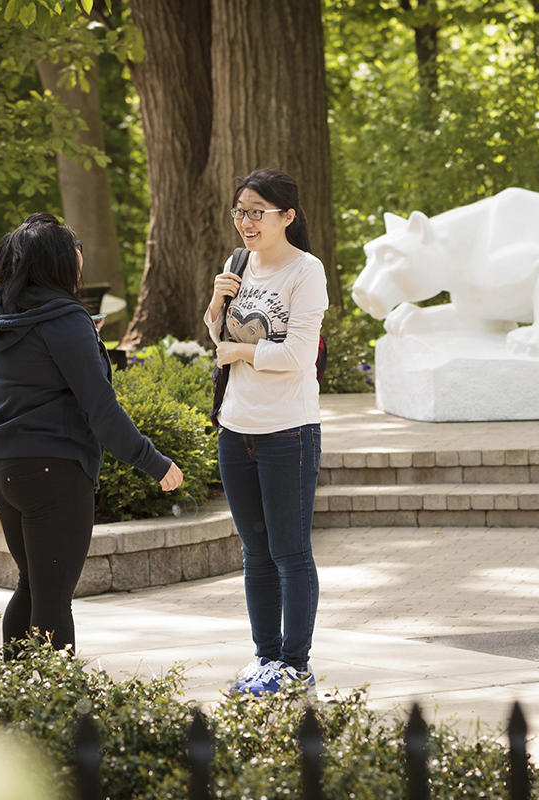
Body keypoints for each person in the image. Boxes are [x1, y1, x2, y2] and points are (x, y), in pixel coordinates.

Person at [0, 212, 183, 659]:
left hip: (0, 467)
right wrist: (156, 463)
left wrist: (82, 338)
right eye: (73, 250)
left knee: (33, 584)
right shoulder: (64, 320)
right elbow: (101, 410)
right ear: (56, 263)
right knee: (53, 597)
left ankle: (12, 696)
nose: (79, 258)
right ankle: (54, 711)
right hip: (52, 471)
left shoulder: (1, 312)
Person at [204, 169, 329, 695]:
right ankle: (266, 659)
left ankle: (295, 665)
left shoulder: (306, 271)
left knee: (290, 552)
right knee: (254, 553)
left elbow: (299, 354)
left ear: (287, 216)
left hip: (288, 432)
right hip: (236, 428)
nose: (246, 222)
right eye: (239, 212)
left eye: (257, 211)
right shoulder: (237, 265)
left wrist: (240, 353)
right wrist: (216, 304)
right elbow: (217, 335)